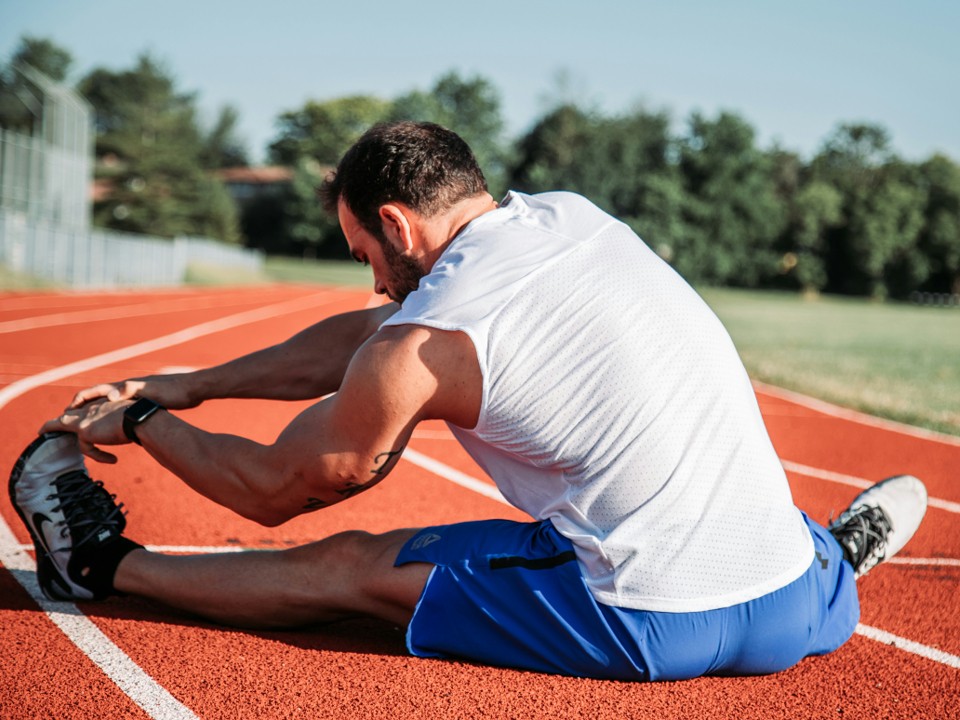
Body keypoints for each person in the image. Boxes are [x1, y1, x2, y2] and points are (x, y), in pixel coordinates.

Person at [10, 121, 928, 681]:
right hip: (790, 609)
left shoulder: (421, 343)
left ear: (399, 226)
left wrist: (141, 419)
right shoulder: (568, 217)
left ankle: (98, 568)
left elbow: (275, 487)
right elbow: (374, 337)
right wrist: (191, 384)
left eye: (364, 254)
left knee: (346, 567)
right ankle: (835, 558)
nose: (370, 281)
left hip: (645, 616)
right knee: (728, 483)